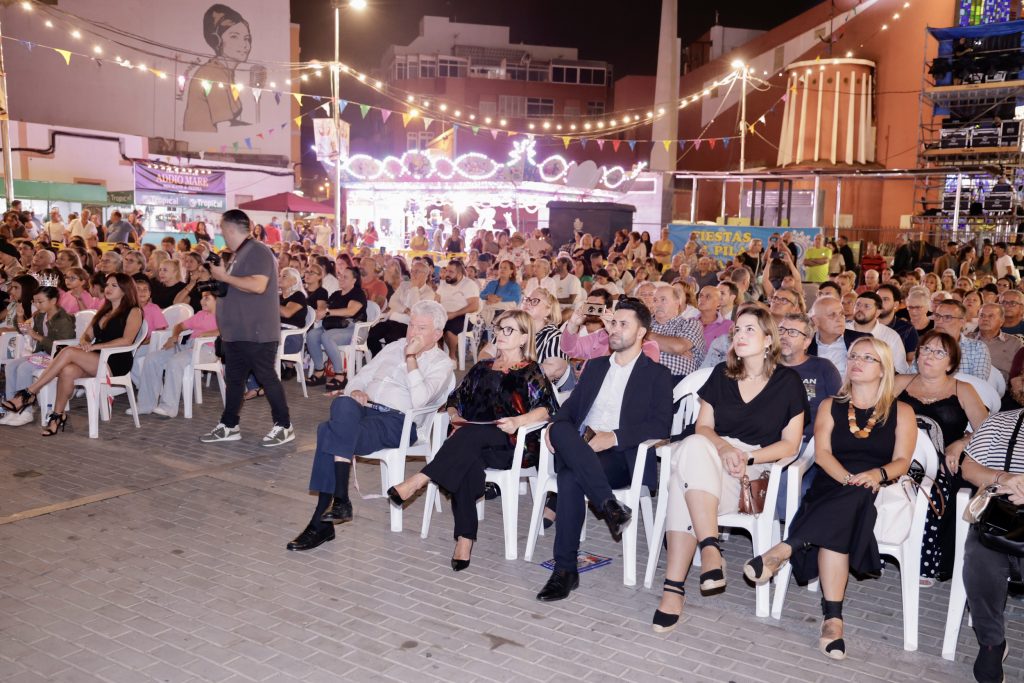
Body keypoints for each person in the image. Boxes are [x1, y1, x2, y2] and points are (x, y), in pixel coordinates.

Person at [743, 337, 916, 660]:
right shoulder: (830, 405)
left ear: (883, 369)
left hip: (876, 487)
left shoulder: (902, 411)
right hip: (832, 483)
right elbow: (821, 454)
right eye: (853, 356)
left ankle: (786, 549)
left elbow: (902, 461)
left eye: (867, 358)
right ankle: (833, 620)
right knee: (849, 504)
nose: (856, 362)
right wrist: (849, 481)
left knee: (857, 499)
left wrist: (876, 476)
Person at [652, 304, 807, 632]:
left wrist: (747, 458)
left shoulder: (788, 382)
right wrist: (725, 449)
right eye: (737, 329)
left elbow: (791, 445)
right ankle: (710, 547)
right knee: (694, 447)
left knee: (683, 486)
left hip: (751, 472)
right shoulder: (721, 375)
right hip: (712, 457)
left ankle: (675, 587)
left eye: (750, 329)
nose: (740, 334)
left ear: (769, 339)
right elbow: (703, 427)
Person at [387, 310, 557, 570]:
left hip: (511, 445)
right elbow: (455, 399)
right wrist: (455, 415)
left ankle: (419, 479)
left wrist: (517, 422)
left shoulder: (530, 371)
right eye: (499, 328)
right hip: (473, 442)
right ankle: (464, 540)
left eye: (509, 330)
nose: (500, 334)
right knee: (468, 460)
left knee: (468, 441)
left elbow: (547, 408)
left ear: (524, 338)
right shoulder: (482, 367)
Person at [537, 298, 673, 601]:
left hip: (621, 457)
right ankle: (609, 506)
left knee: (571, 477)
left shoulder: (656, 374)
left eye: (624, 324)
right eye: (614, 323)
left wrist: (612, 438)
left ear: (642, 333)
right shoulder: (596, 367)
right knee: (559, 426)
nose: (615, 329)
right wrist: (554, 426)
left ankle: (565, 571)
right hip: (582, 446)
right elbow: (569, 410)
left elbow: (661, 427)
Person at [895, 331, 988, 584]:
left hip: (943, 461)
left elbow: (988, 432)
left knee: (941, 490)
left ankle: (929, 561)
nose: (929, 356)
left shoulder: (963, 389)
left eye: (939, 352)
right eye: (925, 349)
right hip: (900, 455)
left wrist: (960, 442)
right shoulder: (900, 382)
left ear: (951, 362)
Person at [2, 273, 143, 436]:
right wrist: (84, 341)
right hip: (95, 357)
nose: (108, 288)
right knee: (68, 371)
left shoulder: (134, 311)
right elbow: (87, 334)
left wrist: (96, 346)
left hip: (115, 360)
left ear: (125, 290)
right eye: (107, 285)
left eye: (114, 285)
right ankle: (56, 416)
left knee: (68, 351)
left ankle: (29, 392)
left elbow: (127, 340)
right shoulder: (104, 310)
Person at [198, 210, 294, 447]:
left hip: (257, 331)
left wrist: (225, 277)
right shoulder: (238, 254)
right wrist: (214, 267)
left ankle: (284, 425)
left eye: (222, 230)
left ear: (230, 228)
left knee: (266, 377)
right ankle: (229, 424)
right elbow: (231, 287)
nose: (221, 234)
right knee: (234, 380)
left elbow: (258, 285)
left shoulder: (258, 250)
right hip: (238, 331)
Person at [956, 409, 1024, 683]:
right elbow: (969, 469)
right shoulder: (1000, 421)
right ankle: (991, 642)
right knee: (979, 561)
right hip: (1000, 519)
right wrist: (1005, 478)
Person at [135, 291, 220, 418]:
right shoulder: (201, 314)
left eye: (206, 299)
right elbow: (179, 325)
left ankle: (169, 407)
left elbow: (227, 329)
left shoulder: (223, 315)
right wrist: (174, 336)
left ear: (218, 300)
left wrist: (205, 334)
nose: (202, 302)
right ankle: (145, 405)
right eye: (202, 298)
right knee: (152, 358)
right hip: (189, 346)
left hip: (207, 350)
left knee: (175, 361)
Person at [0, 285, 75, 426]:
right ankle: (13, 408)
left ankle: (26, 410)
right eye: (35, 302)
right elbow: (25, 331)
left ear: (53, 301)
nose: (37, 305)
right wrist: (20, 317)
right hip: (43, 354)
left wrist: (38, 337)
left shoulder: (64, 319)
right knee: (10, 365)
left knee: (24, 368)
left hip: (58, 357)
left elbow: (64, 345)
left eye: (40, 301)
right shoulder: (41, 315)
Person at [306, 266, 367, 392]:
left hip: (353, 329)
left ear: (354, 280)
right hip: (333, 327)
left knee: (326, 337)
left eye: (345, 277)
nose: (341, 279)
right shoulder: (335, 294)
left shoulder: (358, 293)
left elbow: (351, 311)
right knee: (311, 335)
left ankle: (340, 375)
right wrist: (319, 312)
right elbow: (323, 310)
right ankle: (319, 371)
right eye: (340, 276)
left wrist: (327, 312)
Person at [367, 259, 434, 356]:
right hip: (392, 320)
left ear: (426, 275)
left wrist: (415, 288)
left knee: (392, 338)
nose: (413, 274)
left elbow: (417, 311)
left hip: (409, 325)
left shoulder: (429, 293)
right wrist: (406, 309)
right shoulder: (404, 285)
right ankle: (378, 358)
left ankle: (392, 363)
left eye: (417, 271)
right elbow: (392, 302)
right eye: (412, 270)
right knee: (371, 335)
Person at [648, 282, 705, 380]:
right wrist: (668, 345)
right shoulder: (645, 323)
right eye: (655, 300)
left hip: (676, 380)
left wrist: (643, 336)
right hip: (644, 375)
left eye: (663, 299)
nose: (658, 304)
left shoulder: (690, 323)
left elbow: (678, 347)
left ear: (677, 301)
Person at [928, 299, 992, 381]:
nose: (939, 321)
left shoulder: (977, 348)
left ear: (962, 321)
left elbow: (978, 384)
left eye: (947, 317)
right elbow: (913, 376)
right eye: (937, 316)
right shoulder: (926, 345)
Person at [847, 292, 909, 373]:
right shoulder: (842, 329)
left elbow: (901, 370)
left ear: (878, 312)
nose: (860, 309)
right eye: (857, 305)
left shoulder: (890, 336)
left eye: (867, 306)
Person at [808, 297, 870, 376]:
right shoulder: (805, 346)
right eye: (832, 315)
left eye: (841, 314)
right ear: (816, 320)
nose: (839, 319)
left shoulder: (862, 340)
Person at [436, 260, 481, 361]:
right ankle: (440, 355)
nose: (447, 274)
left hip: (463, 316)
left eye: (451, 272)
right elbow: (436, 300)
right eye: (447, 270)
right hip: (444, 315)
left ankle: (452, 356)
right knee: (431, 326)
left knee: (449, 329)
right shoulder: (444, 284)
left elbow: (474, 306)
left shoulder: (469, 284)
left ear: (460, 274)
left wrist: (454, 314)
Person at [970, 303, 1023, 383]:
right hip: (970, 387)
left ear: (1001, 321)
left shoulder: (1014, 343)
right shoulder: (966, 339)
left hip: (1003, 390)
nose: (985, 319)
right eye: (982, 315)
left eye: (991, 316)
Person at [697, 285, 731, 349]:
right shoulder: (688, 322)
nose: (702, 299)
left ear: (718, 303)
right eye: (700, 295)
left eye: (708, 297)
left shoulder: (728, 326)